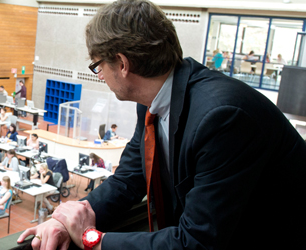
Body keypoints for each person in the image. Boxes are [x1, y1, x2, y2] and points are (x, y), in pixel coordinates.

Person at [18, 1, 306, 249]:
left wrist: (91, 238)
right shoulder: (152, 100)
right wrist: (66, 218)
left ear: (121, 63)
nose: (100, 76)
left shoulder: (223, 117)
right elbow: (130, 177)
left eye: (97, 66)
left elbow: (196, 242)